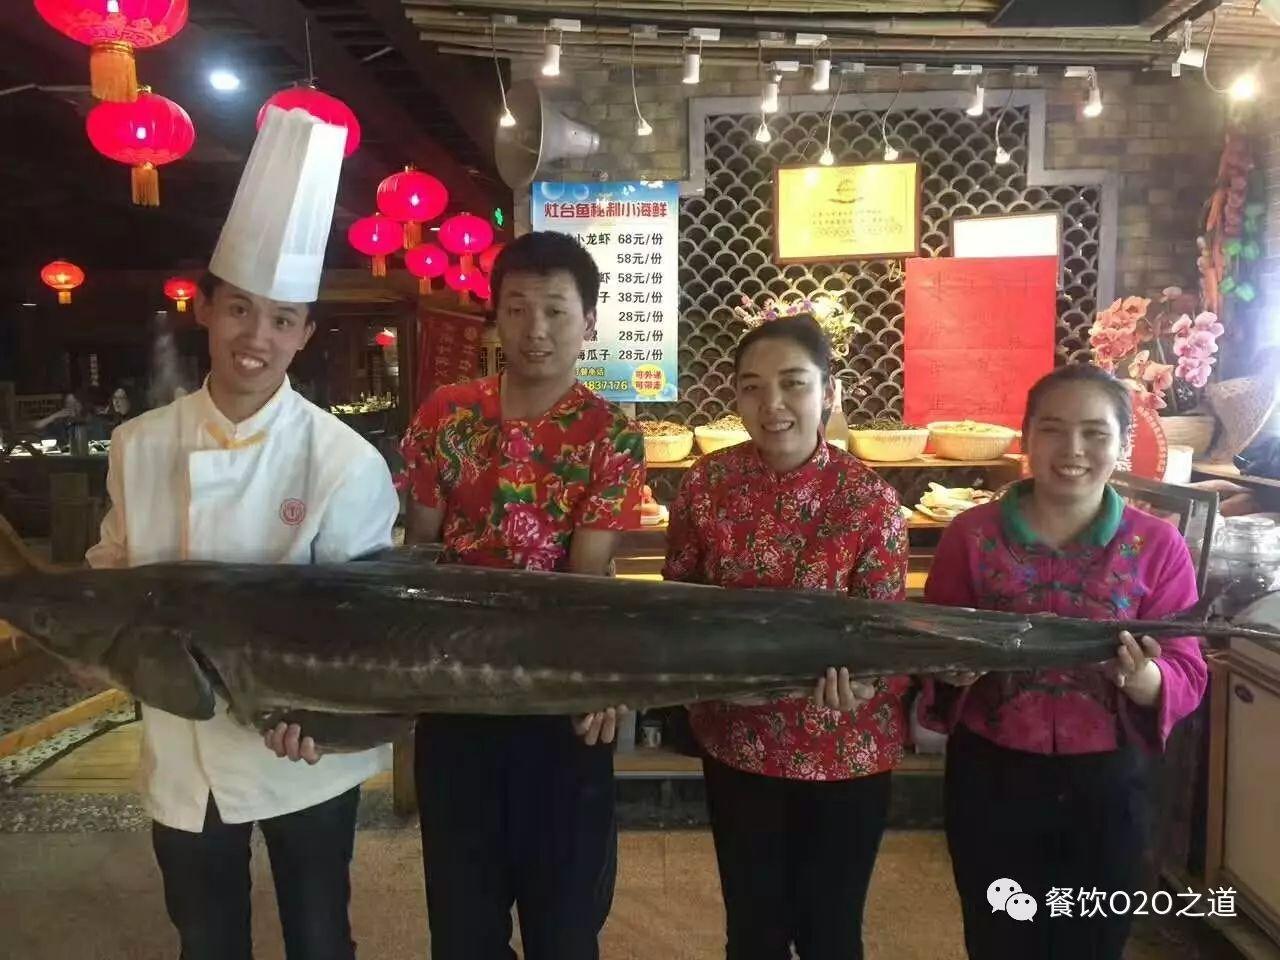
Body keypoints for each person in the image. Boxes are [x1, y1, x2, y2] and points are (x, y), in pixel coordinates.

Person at [85, 106, 399, 960]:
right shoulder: (138, 446)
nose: (257, 338)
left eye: (283, 319)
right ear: (208, 309)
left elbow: (370, 630)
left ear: (304, 332)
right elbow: (111, 581)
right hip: (181, 749)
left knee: (319, 934)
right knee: (207, 938)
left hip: (299, 752)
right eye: (240, 310)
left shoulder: (341, 460)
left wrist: (326, 721)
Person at [398, 230, 646, 960]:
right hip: (456, 692)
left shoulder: (610, 435)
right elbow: (420, 552)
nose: (536, 331)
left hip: (556, 702)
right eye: (518, 309)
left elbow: (587, 579)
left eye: (556, 312)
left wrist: (595, 678)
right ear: (495, 318)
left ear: (589, 323)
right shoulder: (446, 414)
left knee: (565, 925)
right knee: (462, 925)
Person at [919, 364, 1209, 960]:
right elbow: (930, 648)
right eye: (1052, 429)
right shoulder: (971, 537)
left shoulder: (1156, 545)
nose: (1072, 450)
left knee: (1094, 941)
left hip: (1109, 784)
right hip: (993, 781)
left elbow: (1187, 666)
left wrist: (1146, 679)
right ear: (1026, 438)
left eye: (1095, 433)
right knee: (1001, 937)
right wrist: (950, 670)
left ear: (1122, 443)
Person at [663, 314, 910, 960]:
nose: (772, 405)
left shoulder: (871, 500)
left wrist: (859, 678)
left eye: (793, 384)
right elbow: (678, 609)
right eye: (752, 387)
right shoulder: (704, 487)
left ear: (829, 391)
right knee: (753, 930)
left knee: (831, 933)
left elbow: (883, 635)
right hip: (739, 744)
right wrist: (709, 679)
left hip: (847, 750)